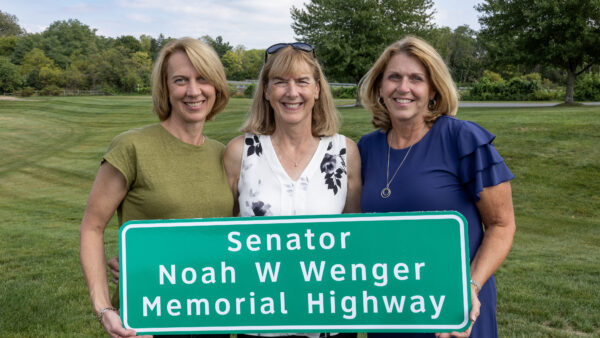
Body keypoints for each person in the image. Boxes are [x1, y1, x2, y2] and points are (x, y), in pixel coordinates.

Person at [358, 36, 516, 338]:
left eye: (416, 79)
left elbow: (501, 225)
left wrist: (470, 287)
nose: (403, 88)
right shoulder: (365, 148)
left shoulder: (463, 139)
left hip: (456, 314)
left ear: (433, 89)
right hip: (390, 311)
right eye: (394, 77)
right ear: (380, 87)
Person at [80, 37, 233, 338]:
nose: (193, 90)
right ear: (165, 88)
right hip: (148, 322)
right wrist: (104, 308)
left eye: (203, 79)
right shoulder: (132, 146)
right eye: (180, 80)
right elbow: (92, 228)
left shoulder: (224, 154)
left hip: (214, 318)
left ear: (216, 86)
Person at [223, 42, 361, 337]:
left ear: (317, 89)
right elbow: (218, 236)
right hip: (259, 321)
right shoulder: (240, 153)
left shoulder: (345, 152)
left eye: (302, 81)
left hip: (330, 322)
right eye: (280, 82)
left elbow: (356, 240)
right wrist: (147, 261)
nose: (292, 92)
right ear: (266, 90)